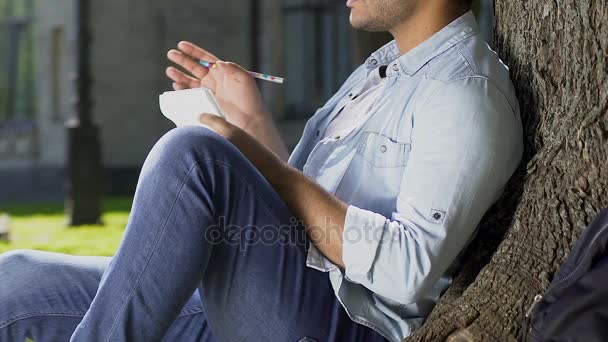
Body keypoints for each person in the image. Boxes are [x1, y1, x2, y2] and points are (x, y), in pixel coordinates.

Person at [0, 0, 523, 341]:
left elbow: (408, 271)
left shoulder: (464, 93)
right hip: (280, 292)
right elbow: (297, 208)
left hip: (342, 323)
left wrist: (241, 156)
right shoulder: (380, 71)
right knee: (17, 279)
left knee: (192, 157)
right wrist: (248, 122)